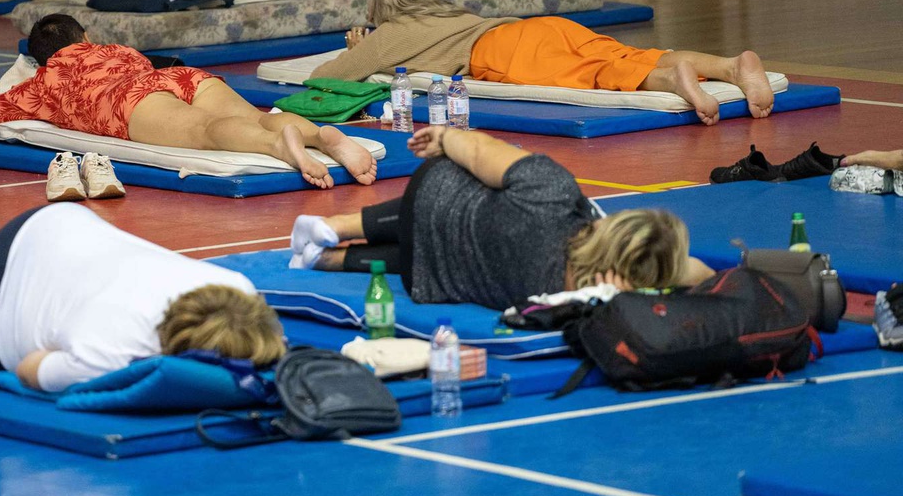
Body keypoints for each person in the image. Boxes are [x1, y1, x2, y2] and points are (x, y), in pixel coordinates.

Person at [289, 125, 715, 311]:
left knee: (448, 198)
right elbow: (697, 273)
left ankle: (337, 227)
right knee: (443, 252)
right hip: (432, 281)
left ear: (612, 230)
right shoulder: (592, 303)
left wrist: (446, 137)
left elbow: (480, 153)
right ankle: (329, 259)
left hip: (434, 202)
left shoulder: (554, 194)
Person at [311, 0, 775, 125]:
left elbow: (324, 78)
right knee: (626, 52)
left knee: (592, 75)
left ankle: (673, 81)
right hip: (538, 26)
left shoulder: (391, 34)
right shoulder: (452, 12)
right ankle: (733, 66)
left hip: (503, 51)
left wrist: (360, 52)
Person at [0, 204, 286, 392]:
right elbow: (30, 368)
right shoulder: (111, 353)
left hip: (67, 222)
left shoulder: (239, 286)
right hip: (14, 266)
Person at [0, 14, 377, 189]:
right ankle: (321, 138)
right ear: (85, 37)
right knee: (255, 116)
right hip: (171, 76)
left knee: (204, 132)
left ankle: (277, 147)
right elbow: (144, 69)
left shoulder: (43, 81)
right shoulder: (116, 49)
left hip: (125, 102)